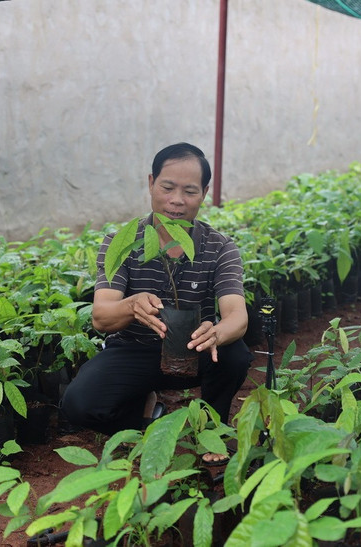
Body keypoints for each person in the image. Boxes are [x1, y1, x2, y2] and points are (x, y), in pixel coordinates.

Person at [60, 142, 252, 465]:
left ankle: (214, 427)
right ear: (151, 183)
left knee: (234, 353)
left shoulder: (219, 247)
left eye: (190, 191)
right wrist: (131, 305)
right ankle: (148, 428)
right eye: (167, 187)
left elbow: (237, 316)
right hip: (134, 351)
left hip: (193, 348)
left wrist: (216, 333)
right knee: (78, 403)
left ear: (204, 193)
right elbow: (101, 316)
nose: (177, 201)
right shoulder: (121, 242)